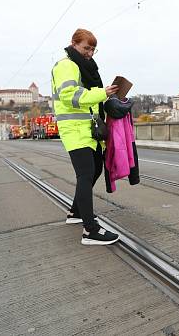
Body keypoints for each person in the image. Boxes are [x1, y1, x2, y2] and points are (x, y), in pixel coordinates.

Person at [50, 28, 120, 245]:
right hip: (74, 128)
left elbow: (90, 97)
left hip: (88, 129)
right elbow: (70, 96)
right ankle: (90, 230)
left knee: (96, 169)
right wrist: (102, 93)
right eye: (86, 48)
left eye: (92, 49)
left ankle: (76, 213)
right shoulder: (66, 65)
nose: (90, 53)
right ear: (73, 43)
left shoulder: (86, 67)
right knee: (86, 174)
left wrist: (110, 99)